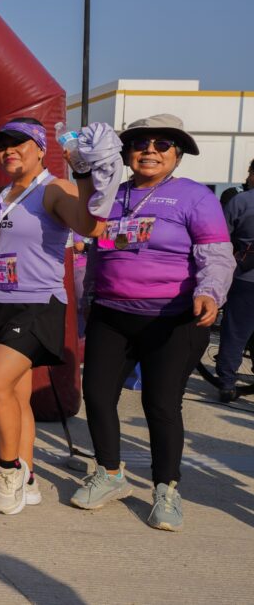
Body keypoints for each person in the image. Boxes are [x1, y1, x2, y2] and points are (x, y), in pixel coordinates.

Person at [74, 114, 234, 531]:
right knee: (96, 394)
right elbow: (99, 251)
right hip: (111, 314)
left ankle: (166, 488)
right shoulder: (113, 195)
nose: (150, 150)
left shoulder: (195, 197)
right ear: (126, 153)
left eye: (162, 144)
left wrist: (209, 292)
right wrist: (87, 298)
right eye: (140, 143)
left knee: (160, 404)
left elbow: (216, 254)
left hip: (173, 319)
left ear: (177, 155)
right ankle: (110, 474)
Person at [0, 119, 101, 514]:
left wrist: (83, 174)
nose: (9, 150)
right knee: (15, 394)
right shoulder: (2, 195)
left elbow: (89, 225)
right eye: (3, 145)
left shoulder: (54, 188)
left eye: (19, 143)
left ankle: (8, 473)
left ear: (41, 149)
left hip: (37, 303)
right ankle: (27, 479)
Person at [218, 184, 254, 402]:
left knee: (235, 333)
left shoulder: (241, 201)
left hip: (245, 278)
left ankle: (227, 383)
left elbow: (220, 237)